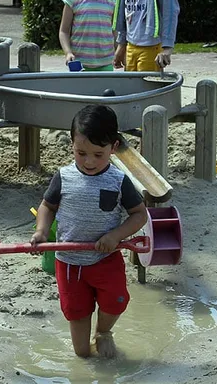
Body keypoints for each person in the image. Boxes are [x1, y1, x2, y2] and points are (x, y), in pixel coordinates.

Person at [31, 105, 147, 359]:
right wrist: (41, 231)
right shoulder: (63, 176)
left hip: (105, 258)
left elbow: (140, 214)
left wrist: (116, 235)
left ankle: (104, 331)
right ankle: (85, 353)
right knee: (81, 347)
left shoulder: (119, 181)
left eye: (98, 154)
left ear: (113, 148)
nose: (89, 162)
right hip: (69, 262)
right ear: (72, 143)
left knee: (116, 301)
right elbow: (47, 206)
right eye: (81, 153)